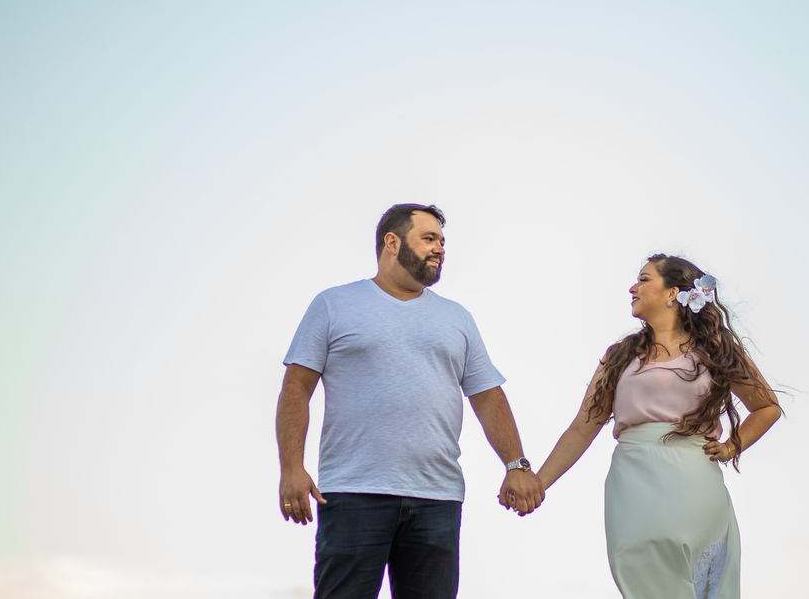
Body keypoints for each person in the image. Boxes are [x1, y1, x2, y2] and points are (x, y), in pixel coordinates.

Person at [275, 203, 544, 599]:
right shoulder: (334, 304)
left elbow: (488, 395)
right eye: (429, 238)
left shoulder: (457, 318)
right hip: (354, 492)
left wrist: (517, 464)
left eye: (442, 241)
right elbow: (296, 387)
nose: (440, 249)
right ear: (392, 242)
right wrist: (291, 467)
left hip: (438, 497)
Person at [535, 254, 781, 599]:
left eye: (643, 279)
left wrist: (732, 445)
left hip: (694, 483)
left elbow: (766, 406)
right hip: (632, 483)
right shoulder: (619, 355)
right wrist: (538, 482)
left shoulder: (715, 349)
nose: (632, 287)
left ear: (673, 293)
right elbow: (582, 428)